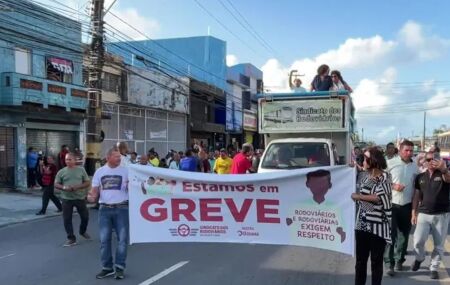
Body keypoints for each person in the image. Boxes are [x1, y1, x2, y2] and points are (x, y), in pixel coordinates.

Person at [352, 147, 392, 285]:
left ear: (373, 160)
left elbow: (378, 198)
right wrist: (349, 169)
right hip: (361, 225)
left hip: (378, 227)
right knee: (360, 262)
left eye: (365, 158)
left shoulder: (385, 176)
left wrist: (358, 196)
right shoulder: (363, 175)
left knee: (376, 263)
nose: (363, 161)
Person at [88, 147, 129, 280]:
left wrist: (130, 185)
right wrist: (91, 197)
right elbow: (94, 190)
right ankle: (107, 267)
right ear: (108, 157)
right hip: (104, 209)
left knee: (122, 240)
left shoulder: (126, 171)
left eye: (120, 157)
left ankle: (119, 268)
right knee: (104, 240)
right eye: (116, 156)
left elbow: (132, 188)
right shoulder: (100, 172)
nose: (119, 159)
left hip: (121, 208)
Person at [411, 151, 450, 280]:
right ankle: (419, 258)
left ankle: (434, 267)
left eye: (434, 159)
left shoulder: (444, 174)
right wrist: (413, 212)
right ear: (424, 162)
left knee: (439, 244)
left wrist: (443, 169)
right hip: (423, 213)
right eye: (428, 160)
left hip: (441, 214)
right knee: (417, 241)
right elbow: (417, 195)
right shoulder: (420, 177)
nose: (431, 161)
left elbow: (448, 178)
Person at [383, 139, 418, 276]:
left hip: (407, 205)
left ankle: (399, 261)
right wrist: (393, 186)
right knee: (391, 235)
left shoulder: (415, 167)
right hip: (391, 204)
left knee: (404, 235)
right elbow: (381, 179)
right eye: (406, 150)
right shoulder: (390, 163)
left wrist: (415, 210)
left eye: (411, 150)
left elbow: (417, 188)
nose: (409, 153)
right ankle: (389, 263)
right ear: (400, 150)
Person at [54, 153, 91, 247]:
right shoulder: (61, 172)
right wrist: (64, 187)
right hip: (66, 198)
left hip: (79, 197)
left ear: (75, 160)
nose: (68, 161)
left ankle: (82, 231)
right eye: (66, 160)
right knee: (67, 219)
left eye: (70, 159)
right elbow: (56, 184)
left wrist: (77, 187)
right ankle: (71, 238)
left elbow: (87, 182)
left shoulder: (81, 170)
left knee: (85, 217)